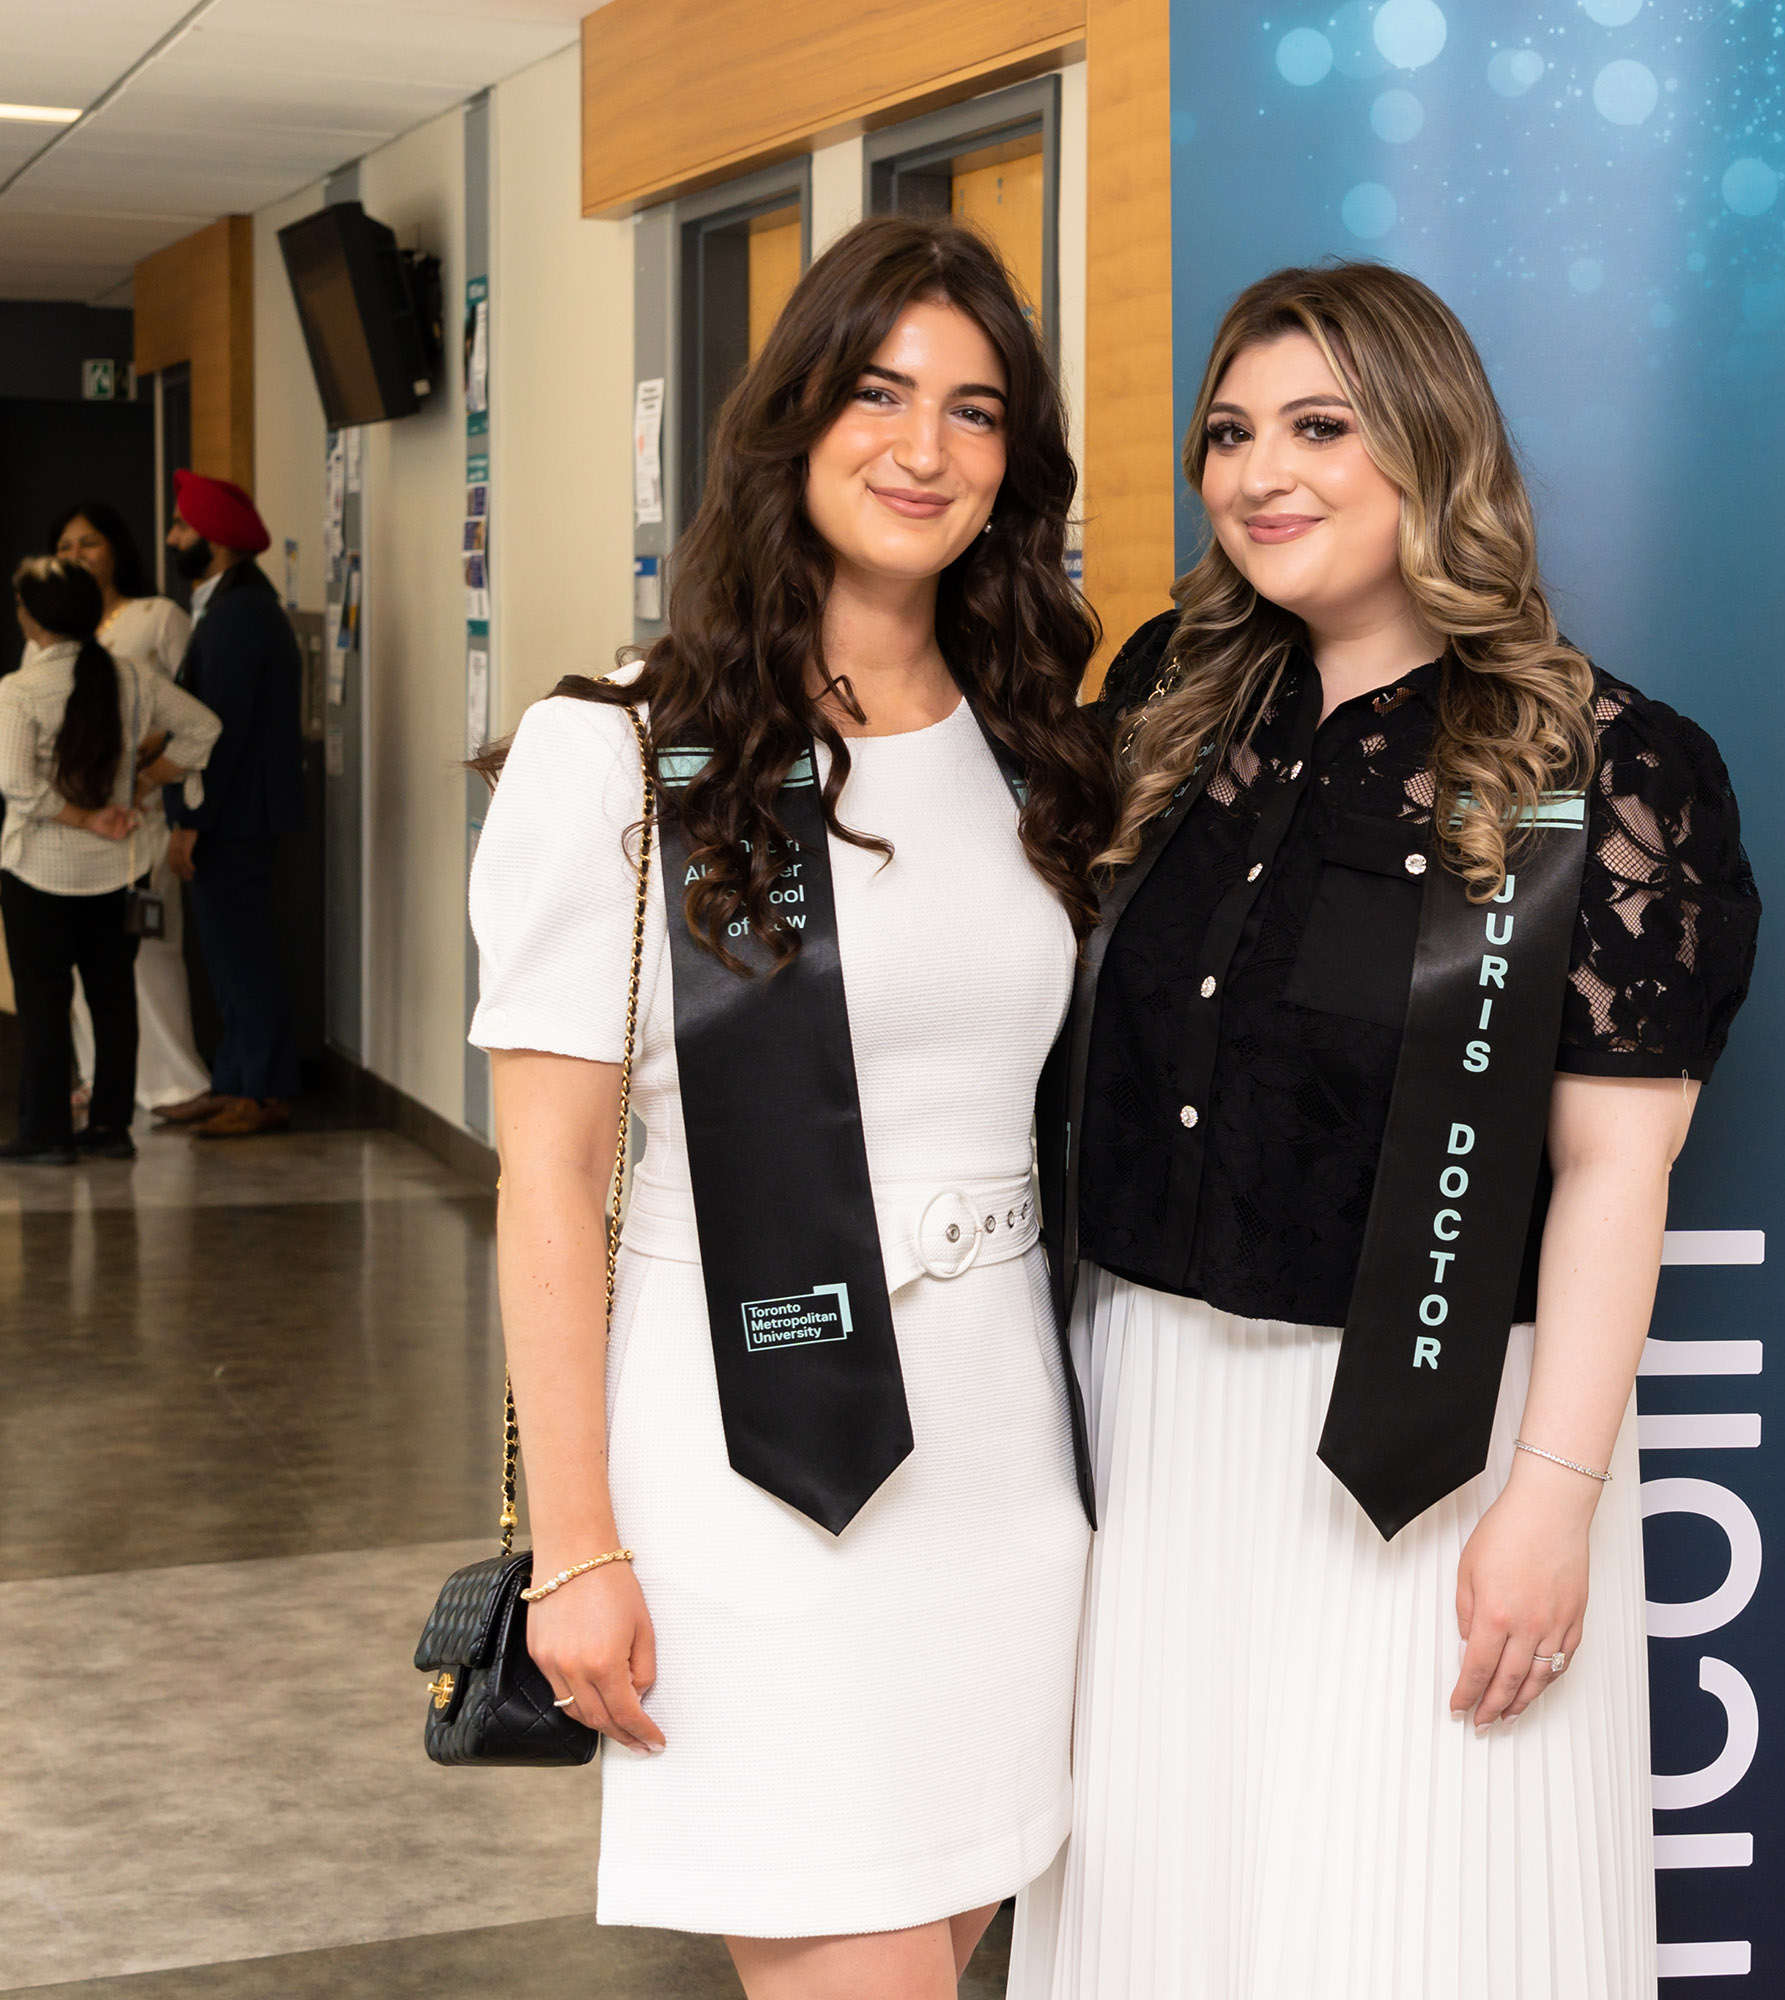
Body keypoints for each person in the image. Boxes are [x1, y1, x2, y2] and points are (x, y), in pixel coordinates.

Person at [1011, 263, 1760, 1998]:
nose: (1261, 473)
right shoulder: (1169, 707)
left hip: (1436, 1439)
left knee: (1416, 1916)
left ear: (1430, 444)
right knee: (1164, 1908)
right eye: (1229, 434)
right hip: (1150, 1424)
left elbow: (1615, 1171)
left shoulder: (1605, 763)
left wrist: (1552, 1504)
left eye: (1320, 427)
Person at [467, 214, 1112, 1999]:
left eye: (976, 411)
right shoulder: (622, 748)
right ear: (793, 417)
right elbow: (548, 1180)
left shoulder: (1035, 738)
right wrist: (574, 1546)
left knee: (950, 1938)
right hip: (754, 1460)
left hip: (1001, 1451)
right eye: (879, 394)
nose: (926, 449)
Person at [1, 558, 221, 1164]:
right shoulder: (130, 678)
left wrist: (84, 816)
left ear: (34, 618)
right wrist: (141, 788)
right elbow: (202, 729)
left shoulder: (20, 690)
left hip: (38, 872)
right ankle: (109, 1128)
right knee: (113, 997)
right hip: (119, 870)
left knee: (44, 1002)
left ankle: (45, 1133)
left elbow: (19, 787)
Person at [51, 501, 216, 1115]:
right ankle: (102, 1078)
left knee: (148, 949)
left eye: (88, 543)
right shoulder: (52, 634)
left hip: (140, 814)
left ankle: (175, 1083)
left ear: (116, 548)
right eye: (65, 547)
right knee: (77, 963)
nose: (76, 555)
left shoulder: (157, 617)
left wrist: (148, 765)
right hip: (71, 825)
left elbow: (197, 709)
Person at [159, 469, 307, 1137]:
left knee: (243, 955)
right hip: (236, 814)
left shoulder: (238, 615)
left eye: (182, 525)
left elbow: (218, 730)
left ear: (213, 538)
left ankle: (263, 1091)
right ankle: (233, 1081)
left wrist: (192, 820)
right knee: (227, 955)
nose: (172, 538)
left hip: (234, 817)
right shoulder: (230, 606)